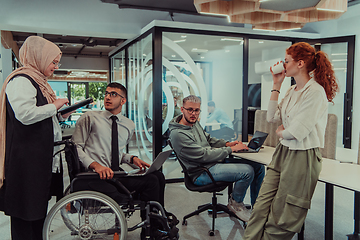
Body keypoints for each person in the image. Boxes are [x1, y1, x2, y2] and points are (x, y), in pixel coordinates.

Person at [244, 42, 339, 240]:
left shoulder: (315, 92)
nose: (283, 65)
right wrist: (276, 85)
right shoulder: (291, 91)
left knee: (285, 211)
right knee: (262, 203)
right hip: (283, 152)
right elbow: (271, 118)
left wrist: (283, 132)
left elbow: (296, 132)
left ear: (301, 63)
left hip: (303, 156)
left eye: (286, 61)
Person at [71, 82, 174, 239]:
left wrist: (132, 158)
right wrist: (96, 165)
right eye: (106, 93)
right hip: (95, 176)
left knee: (157, 176)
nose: (108, 97)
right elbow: (75, 148)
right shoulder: (90, 118)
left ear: (123, 100)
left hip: (115, 174)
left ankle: (157, 220)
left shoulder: (128, 124)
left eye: (113, 94)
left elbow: (117, 153)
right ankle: (154, 226)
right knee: (151, 182)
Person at [0, 36, 72, 240]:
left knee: (36, 212)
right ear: (39, 57)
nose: (55, 66)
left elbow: (41, 115)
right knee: (26, 214)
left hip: (38, 161)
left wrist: (60, 115)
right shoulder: (21, 80)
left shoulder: (39, 82)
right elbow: (25, 114)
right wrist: (55, 106)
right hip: (26, 162)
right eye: (53, 61)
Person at [169, 95, 265, 222]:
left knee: (258, 166)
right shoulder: (178, 134)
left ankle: (257, 209)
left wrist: (226, 144)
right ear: (182, 109)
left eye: (197, 110)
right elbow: (204, 155)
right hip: (201, 172)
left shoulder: (194, 123)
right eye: (190, 110)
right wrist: (230, 150)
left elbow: (208, 139)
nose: (193, 113)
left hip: (213, 163)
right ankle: (236, 204)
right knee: (247, 171)